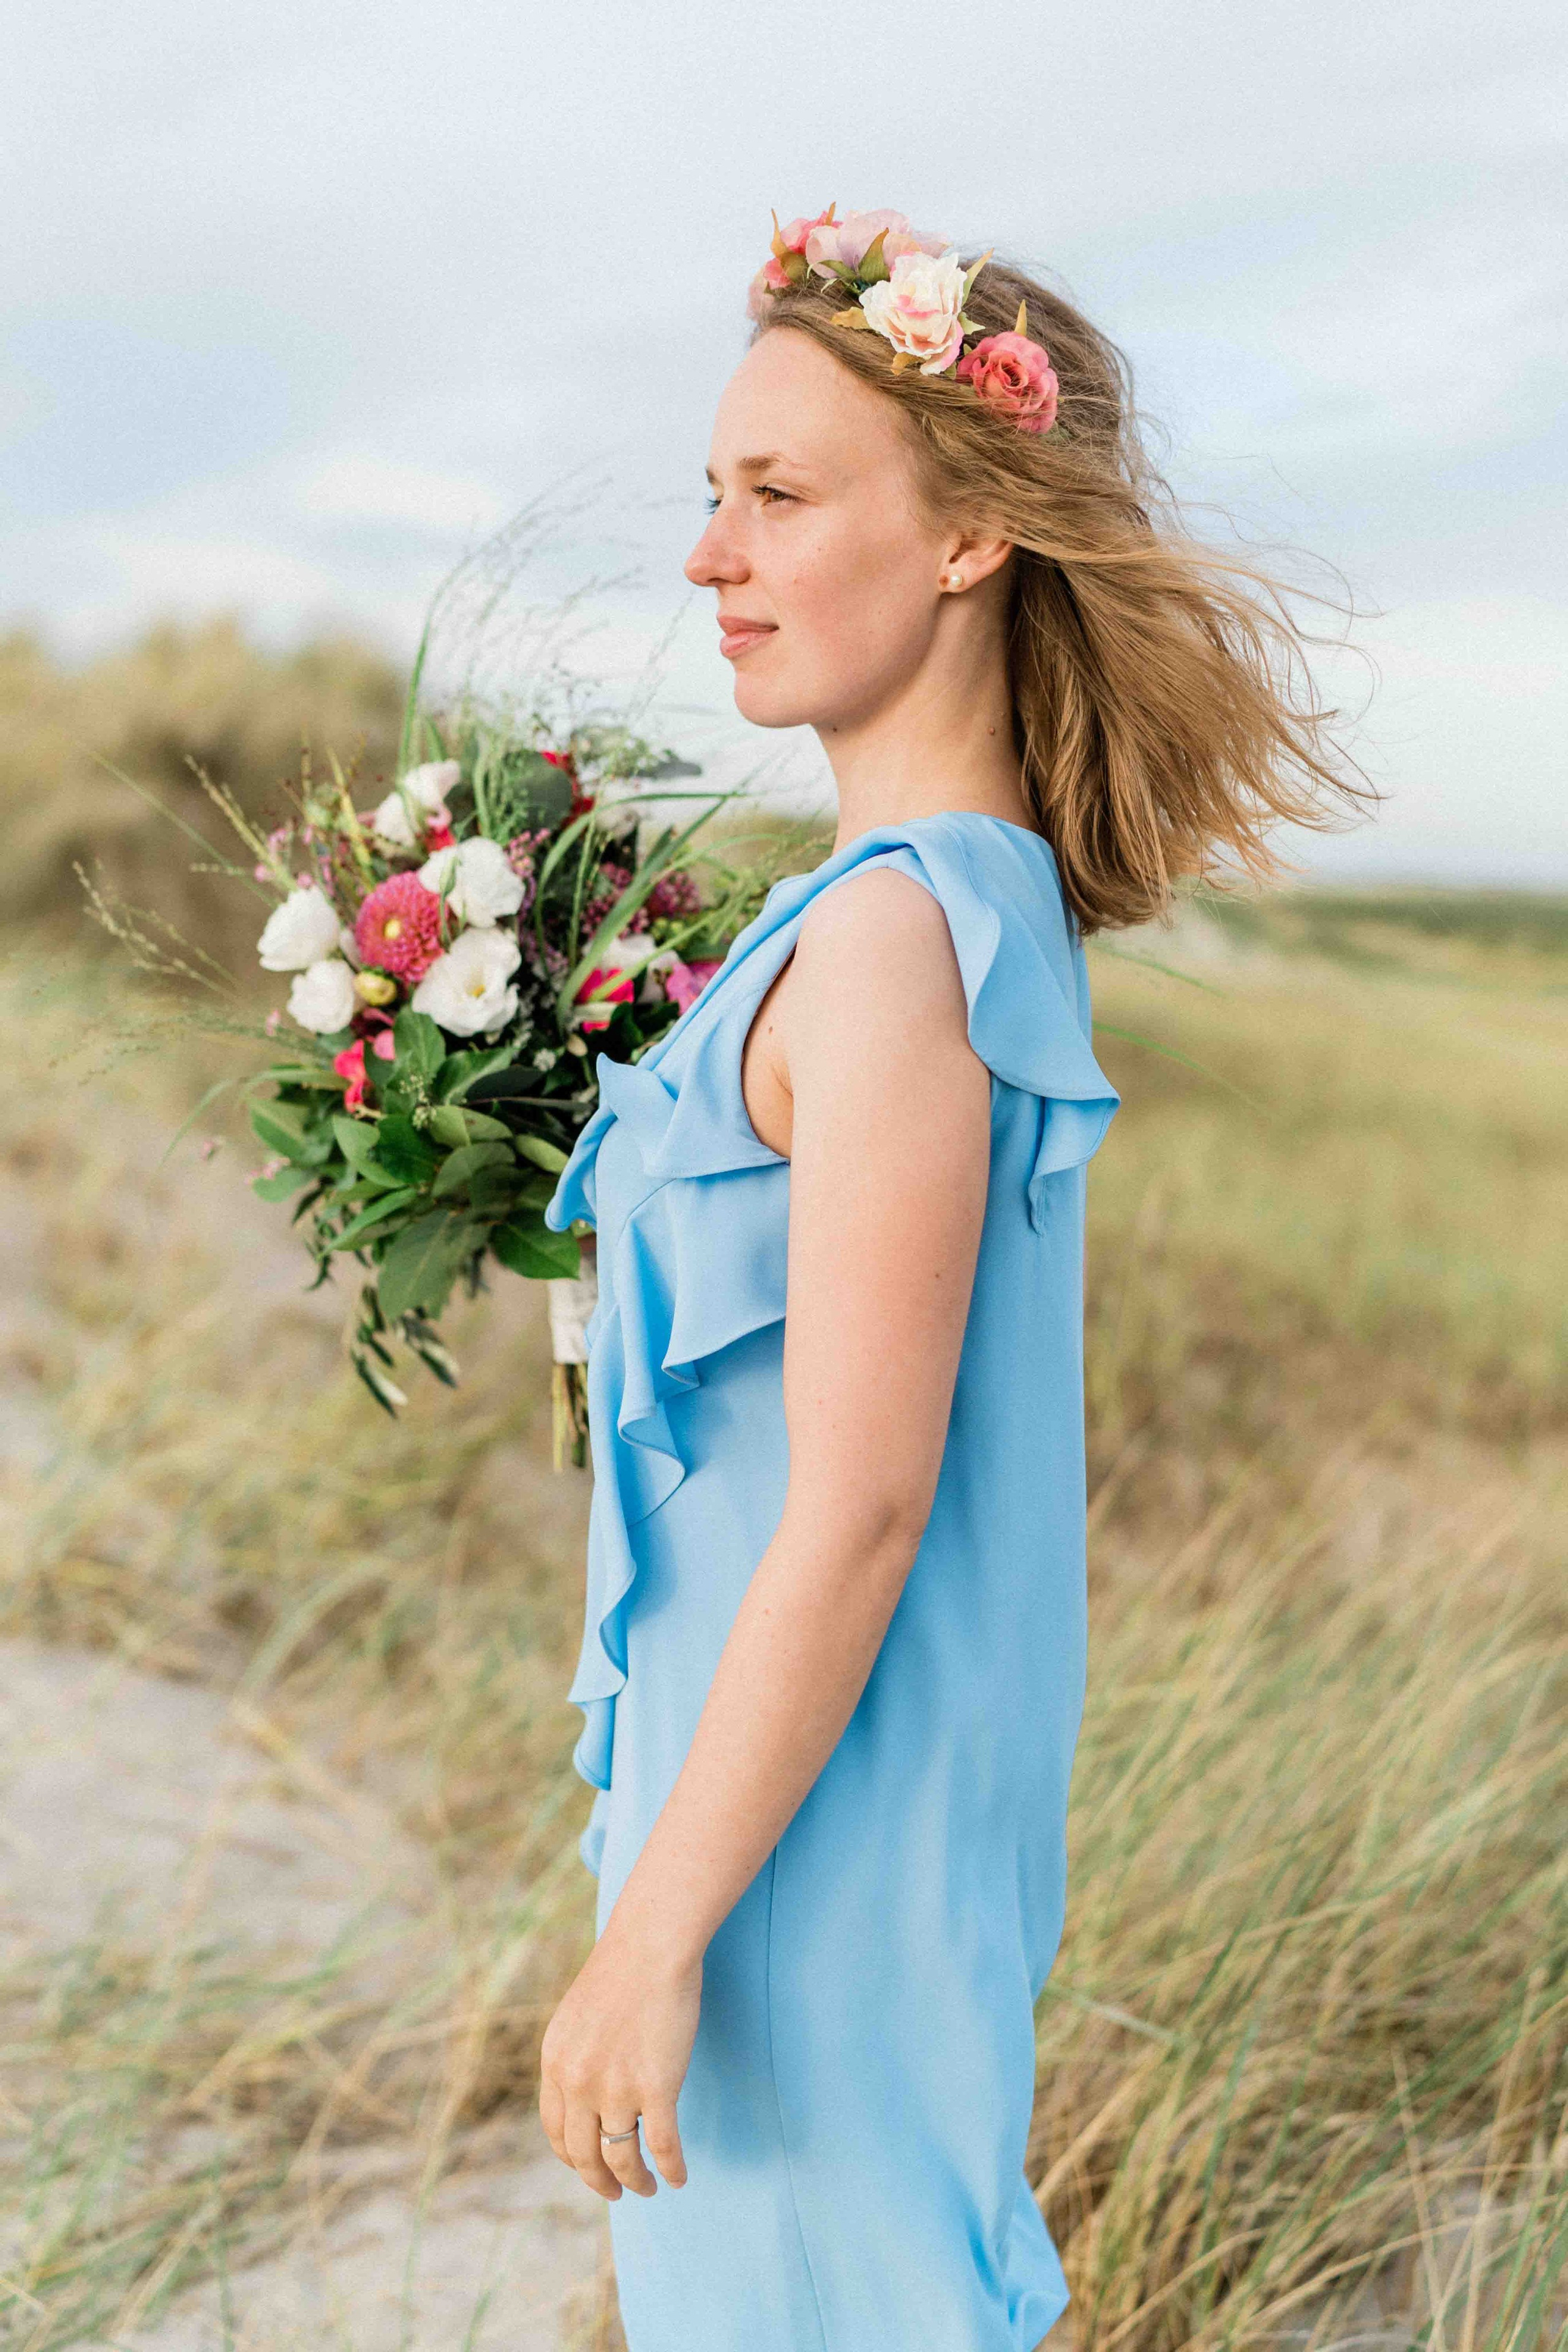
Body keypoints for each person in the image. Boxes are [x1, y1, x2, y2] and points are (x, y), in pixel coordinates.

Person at [538, 206, 1362, 2351]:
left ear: (978, 530)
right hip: (761, 1790)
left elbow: (871, 1494)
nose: (712, 556)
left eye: (780, 496)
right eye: (711, 496)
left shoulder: (904, 940)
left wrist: (656, 1936)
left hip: (812, 1839)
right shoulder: (904, 912)